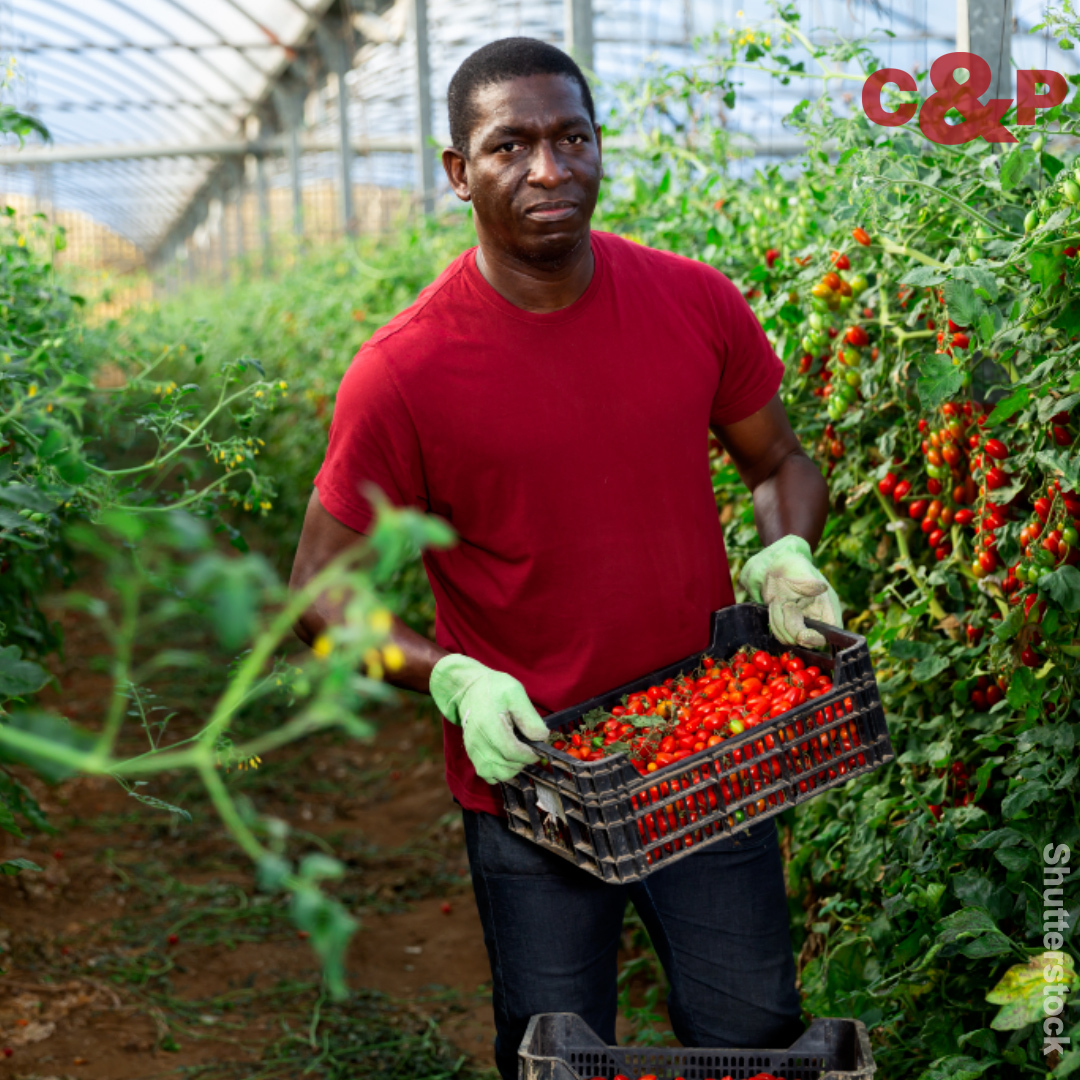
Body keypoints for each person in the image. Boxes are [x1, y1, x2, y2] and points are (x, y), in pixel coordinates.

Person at [289, 36, 841, 1080]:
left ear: (598, 148)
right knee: (557, 1053)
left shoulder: (692, 302)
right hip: (533, 781)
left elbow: (777, 462)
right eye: (509, 147)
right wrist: (449, 679)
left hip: (701, 752)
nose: (548, 170)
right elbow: (321, 596)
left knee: (755, 1035)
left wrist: (788, 552)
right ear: (459, 172)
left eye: (570, 138)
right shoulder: (405, 373)